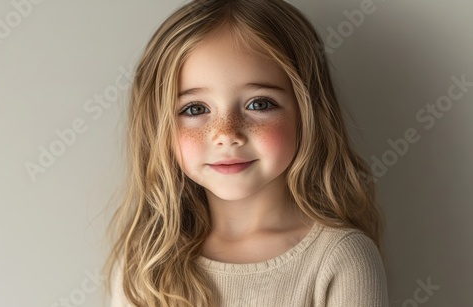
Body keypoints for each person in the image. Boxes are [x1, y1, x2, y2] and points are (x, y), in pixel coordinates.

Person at [105, 0, 389, 306]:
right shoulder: (146, 265)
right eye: (195, 109)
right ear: (159, 127)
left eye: (259, 104)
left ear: (307, 114)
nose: (227, 134)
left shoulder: (342, 259)